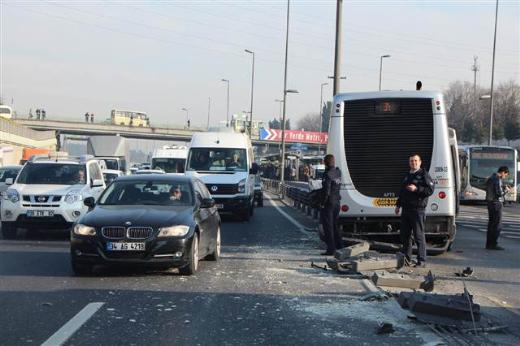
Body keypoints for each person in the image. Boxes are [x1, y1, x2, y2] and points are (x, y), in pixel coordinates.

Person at [395, 154, 434, 268]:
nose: (414, 163)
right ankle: (407, 259)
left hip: (418, 210)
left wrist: (417, 189)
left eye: (416, 161)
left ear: (420, 162)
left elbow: (430, 190)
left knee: (418, 235)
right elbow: (402, 192)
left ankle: (421, 260)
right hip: (406, 209)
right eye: (411, 161)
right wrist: (398, 205)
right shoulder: (407, 175)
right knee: (405, 235)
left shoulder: (424, 174)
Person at [319, 154, 342, 255]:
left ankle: (331, 249)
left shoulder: (327, 174)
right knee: (335, 226)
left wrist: (322, 203)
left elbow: (326, 191)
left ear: (325, 163)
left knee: (328, 227)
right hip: (337, 202)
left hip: (329, 203)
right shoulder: (338, 172)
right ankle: (340, 246)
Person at [485, 166, 510, 250]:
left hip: (490, 203)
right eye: (505, 175)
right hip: (496, 204)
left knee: (491, 224)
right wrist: (506, 190)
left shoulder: (490, 178)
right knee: (497, 225)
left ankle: (488, 244)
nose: (505, 176)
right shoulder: (497, 179)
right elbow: (499, 193)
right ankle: (493, 244)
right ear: (503, 172)